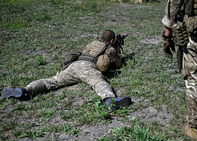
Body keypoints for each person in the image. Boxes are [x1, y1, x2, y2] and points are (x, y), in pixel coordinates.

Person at [1, 29, 132, 110]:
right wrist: (117, 52)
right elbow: (118, 65)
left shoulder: (92, 42)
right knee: (99, 83)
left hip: (74, 65)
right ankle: (109, 99)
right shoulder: (110, 49)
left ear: (101, 38)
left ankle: (25, 89)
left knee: (53, 81)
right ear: (112, 40)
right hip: (88, 67)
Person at [162, 0, 197, 141]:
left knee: (194, 80)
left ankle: (196, 129)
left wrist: (167, 35)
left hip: (196, 33)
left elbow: (174, 5)